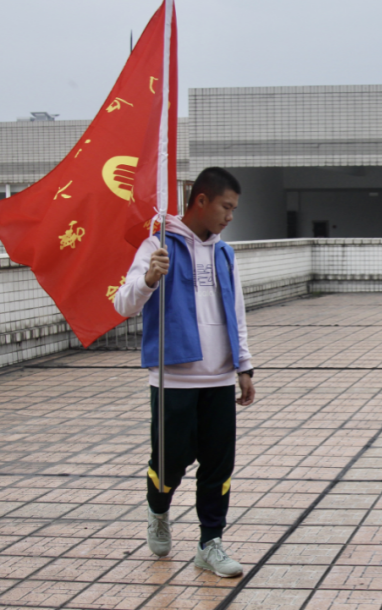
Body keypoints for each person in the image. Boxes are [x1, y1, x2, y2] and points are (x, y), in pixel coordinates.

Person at [115, 167, 255, 577]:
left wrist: (244, 365)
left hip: (219, 377)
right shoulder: (158, 245)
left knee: (218, 465)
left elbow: (237, 313)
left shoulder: (225, 253)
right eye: (226, 207)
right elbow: (123, 303)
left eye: (234, 209)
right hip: (173, 378)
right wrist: (148, 278)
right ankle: (158, 511)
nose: (230, 216)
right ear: (201, 200)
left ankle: (210, 543)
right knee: (170, 461)